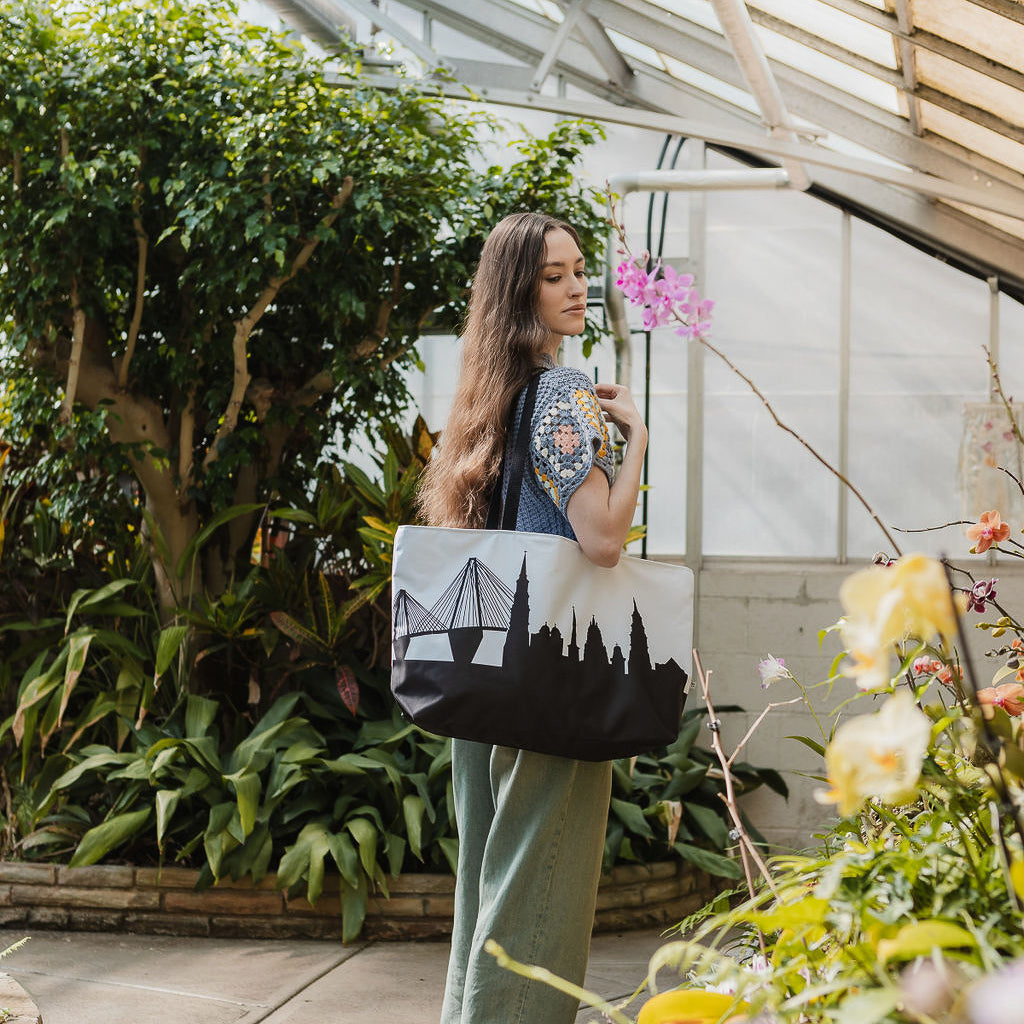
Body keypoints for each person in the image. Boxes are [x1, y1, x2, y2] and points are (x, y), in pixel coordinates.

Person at [416, 211, 649, 1024]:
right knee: (537, 898)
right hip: (554, 675)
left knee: (490, 882)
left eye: (580, 269)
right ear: (519, 292)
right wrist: (637, 443)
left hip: (485, 681)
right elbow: (603, 538)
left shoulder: (491, 392)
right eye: (554, 276)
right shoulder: (559, 393)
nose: (578, 285)